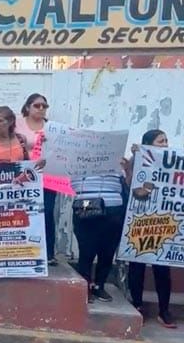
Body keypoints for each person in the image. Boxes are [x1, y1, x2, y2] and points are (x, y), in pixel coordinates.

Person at [125, 129, 176, 328]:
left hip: (163, 222)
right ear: (148, 144)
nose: (164, 144)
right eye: (160, 141)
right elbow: (129, 184)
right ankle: (137, 304)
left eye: (166, 140)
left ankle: (164, 310)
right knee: (136, 266)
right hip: (140, 221)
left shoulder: (173, 161)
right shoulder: (137, 159)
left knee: (162, 268)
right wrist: (136, 157)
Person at [71, 170, 127, 304]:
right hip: (86, 206)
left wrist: (127, 168)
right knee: (86, 250)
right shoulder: (76, 154)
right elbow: (71, 181)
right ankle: (85, 288)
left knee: (108, 251)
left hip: (114, 208)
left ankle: (99, 285)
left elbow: (128, 181)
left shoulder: (119, 156)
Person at [16, 93, 58, 265]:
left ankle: (48, 253)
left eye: (44, 106)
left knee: (47, 212)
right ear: (27, 107)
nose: (41, 109)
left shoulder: (52, 127)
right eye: (37, 105)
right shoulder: (18, 123)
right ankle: (23, 249)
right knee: (24, 211)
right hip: (24, 175)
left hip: (47, 175)